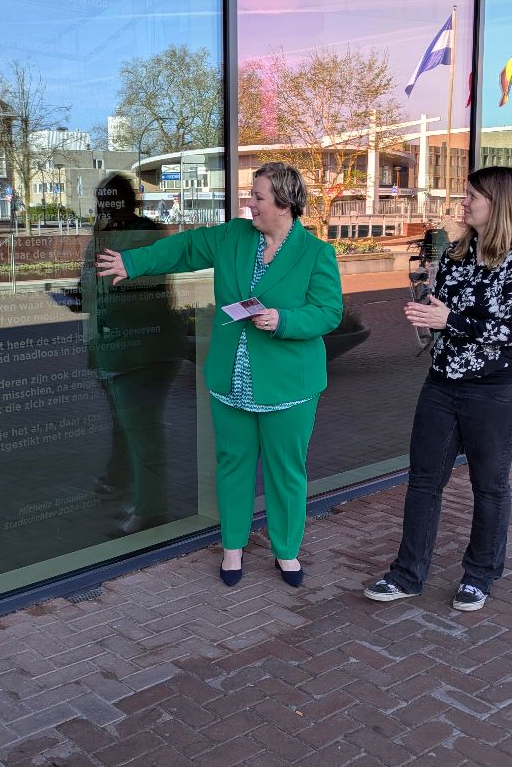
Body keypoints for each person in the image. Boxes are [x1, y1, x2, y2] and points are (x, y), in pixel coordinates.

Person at [96, 162, 342, 587]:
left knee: (286, 472)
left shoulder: (317, 253)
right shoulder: (233, 236)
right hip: (233, 380)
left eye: (258, 197)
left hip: (289, 386)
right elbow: (185, 249)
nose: (250, 203)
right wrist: (133, 262)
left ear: (284, 204)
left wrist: (284, 320)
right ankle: (233, 549)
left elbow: (328, 311)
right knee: (233, 466)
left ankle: (286, 552)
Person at [365, 166, 512, 612]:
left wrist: (450, 320)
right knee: (424, 481)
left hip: (496, 392)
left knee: (490, 486)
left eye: (471, 195)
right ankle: (407, 574)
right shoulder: (458, 254)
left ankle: (479, 577)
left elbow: (511, 327)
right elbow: (448, 311)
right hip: (443, 385)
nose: (463, 202)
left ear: (497, 202)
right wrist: (429, 312)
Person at [81, 173, 184, 534]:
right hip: (116, 349)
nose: (103, 209)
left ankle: (149, 510)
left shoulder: (142, 234)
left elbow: (137, 290)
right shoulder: (106, 234)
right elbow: (92, 287)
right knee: (130, 426)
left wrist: (97, 298)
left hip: (139, 349)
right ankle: (131, 491)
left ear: (123, 202)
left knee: (142, 430)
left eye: (107, 202)